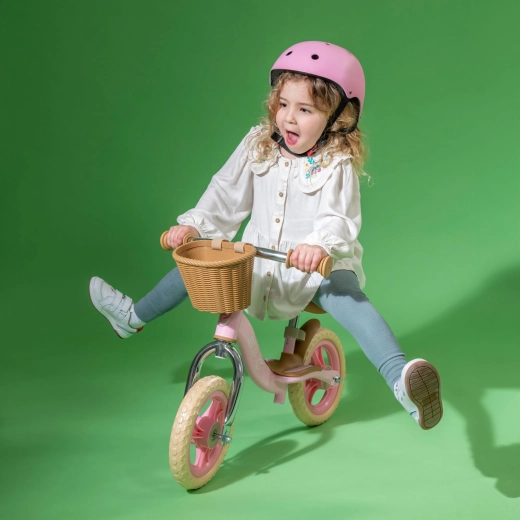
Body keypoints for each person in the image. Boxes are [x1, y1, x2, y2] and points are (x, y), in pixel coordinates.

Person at [89, 41, 442, 430]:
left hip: (313, 266)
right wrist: (194, 226)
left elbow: (338, 218)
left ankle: (400, 380)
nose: (289, 117)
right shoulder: (259, 145)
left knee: (345, 294)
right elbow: (225, 194)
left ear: (338, 118)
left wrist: (317, 246)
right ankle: (132, 317)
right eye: (283, 103)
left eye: (305, 109)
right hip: (259, 258)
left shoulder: (335, 163)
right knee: (197, 266)